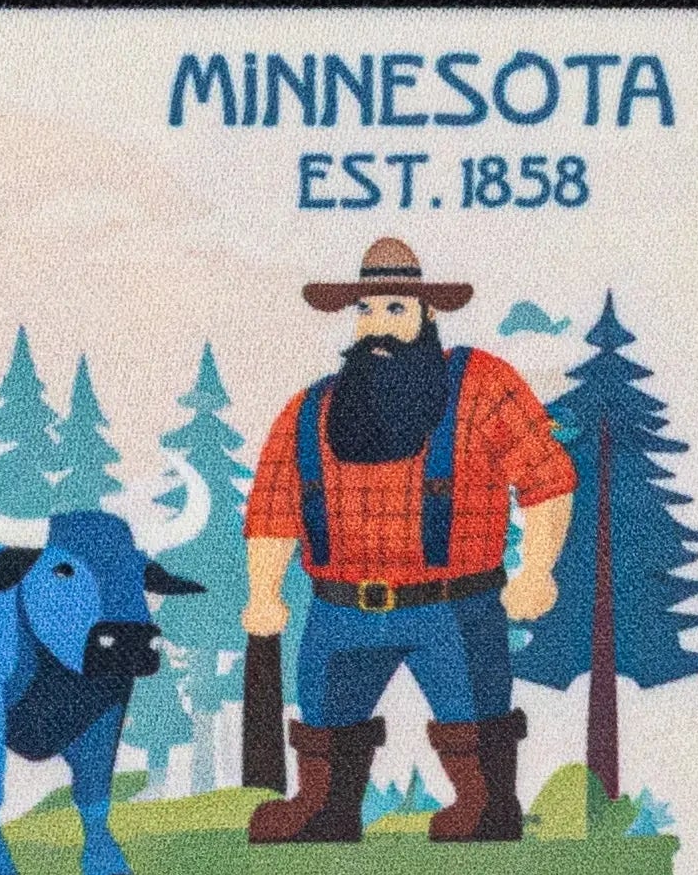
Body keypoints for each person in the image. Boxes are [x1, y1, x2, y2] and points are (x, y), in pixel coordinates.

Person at [242, 237, 576, 843]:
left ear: (427, 314)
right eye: (365, 309)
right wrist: (264, 592)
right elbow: (272, 508)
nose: (377, 326)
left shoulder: (481, 386)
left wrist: (537, 570)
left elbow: (546, 475)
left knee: (473, 723)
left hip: (452, 608)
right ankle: (324, 808)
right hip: (338, 611)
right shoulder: (312, 410)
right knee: (325, 718)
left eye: (395, 309)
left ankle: (486, 807)